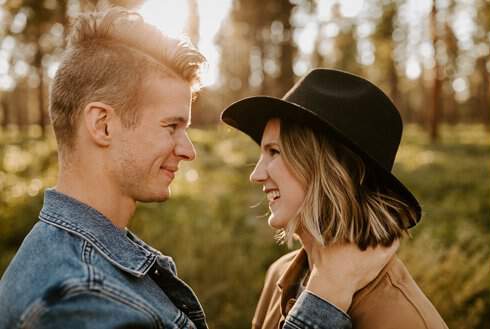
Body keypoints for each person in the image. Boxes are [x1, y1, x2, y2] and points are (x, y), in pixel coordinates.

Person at [0, 9, 388, 328]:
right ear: (103, 124)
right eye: (171, 126)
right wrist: (329, 290)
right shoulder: (82, 300)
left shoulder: (81, 258)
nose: (188, 151)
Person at [220, 68, 447, 329]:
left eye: (274, 152)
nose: (256, 175)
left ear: (330, 170)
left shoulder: (405, 320)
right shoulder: (279, 275)